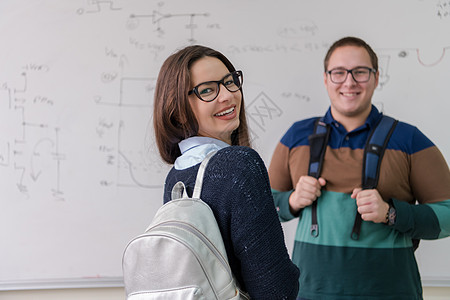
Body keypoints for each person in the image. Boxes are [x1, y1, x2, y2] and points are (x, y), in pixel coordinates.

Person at [268, 36, 450, 299]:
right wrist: (293, 200)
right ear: (326, 79)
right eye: (339, 72)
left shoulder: (410, 139)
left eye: (360, 72)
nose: (349, 82)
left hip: (391, 293)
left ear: (376, 78)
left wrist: (391, 213)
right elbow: (264, 210)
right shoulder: (297, 136)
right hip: (309, 293)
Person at [153, 45, 300, 299]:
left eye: (230, 82)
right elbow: (276, 289)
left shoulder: (175, 178)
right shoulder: (240, 165)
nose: (228, 95)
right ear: (177, 108)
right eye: (207, 90)